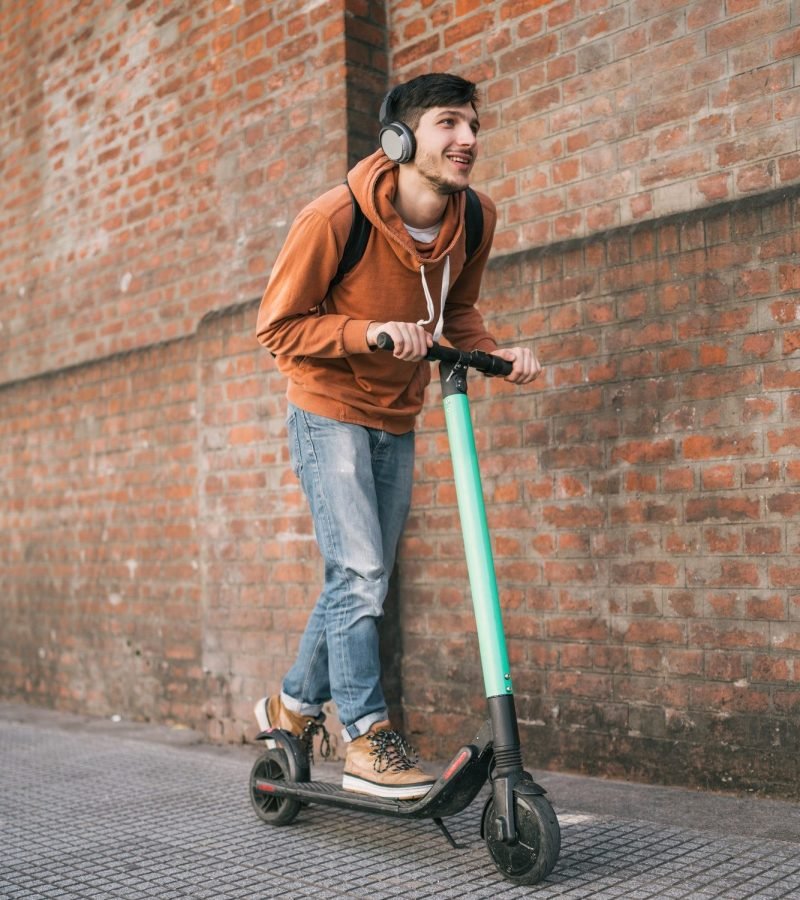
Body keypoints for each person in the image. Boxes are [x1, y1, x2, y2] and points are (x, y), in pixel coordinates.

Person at [254, 73, 541, 800]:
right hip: (327, 407)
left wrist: (497, 354)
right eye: (449, 123)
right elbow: (278, 328)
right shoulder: (334, 218)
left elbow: (458, 311)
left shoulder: (475, 219)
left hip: (397, 413)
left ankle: (291, 706)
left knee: (361, 576)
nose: (468, 139)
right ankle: (366, 737)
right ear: (400, 139)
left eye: (474, 126)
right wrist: (370, 331)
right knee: (359, 574)